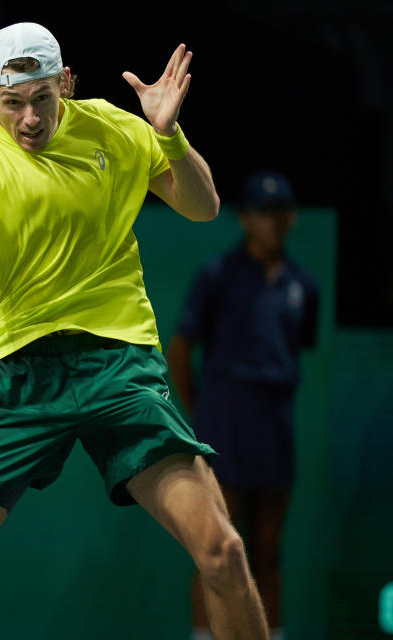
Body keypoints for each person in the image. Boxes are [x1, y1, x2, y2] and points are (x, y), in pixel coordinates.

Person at [0, 22, 269, 640]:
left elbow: (202, 206)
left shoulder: (114, 128)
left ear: (64, 83)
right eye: (11, 103)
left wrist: (168, 136)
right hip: (19, 373)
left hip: (120, 365)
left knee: (223, 551)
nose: (28, 118)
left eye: (41, 98)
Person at [166, 171, 320, 640]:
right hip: (223, 422)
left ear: (291, 219)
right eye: (262, 213)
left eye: (279, 214)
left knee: (268, 550)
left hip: (275, 424)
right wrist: (204, 417)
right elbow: (179, 350)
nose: (271, 223)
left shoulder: (303, 285)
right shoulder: (217, 275)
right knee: (217, 548)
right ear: (246, 219)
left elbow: (298, 349)